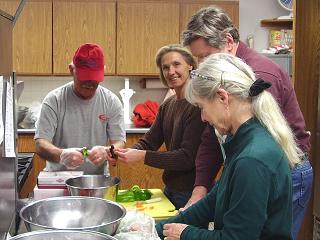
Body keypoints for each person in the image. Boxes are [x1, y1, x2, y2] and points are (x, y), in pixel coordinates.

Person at [181, 6, 313, 239]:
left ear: (228, 41)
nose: (201, 65)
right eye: (197, 58)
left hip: (288, 170)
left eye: (205, 55)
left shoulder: (256, 75)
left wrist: (186, 233)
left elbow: (258, 158)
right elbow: (212, 139)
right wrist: (201, 188)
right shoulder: (221, 86)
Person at [156, 53, 300, 240]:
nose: (203, 118)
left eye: (202, 107)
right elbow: (213, 201)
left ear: (222, 98)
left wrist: (185, 233)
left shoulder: (252, 159)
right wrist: (157, 230)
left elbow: (237, 238)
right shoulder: (243, 142)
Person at [108, 44, 206, 209]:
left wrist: (142, 156)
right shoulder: (168, 104)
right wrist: (121, 152)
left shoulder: (197, 106)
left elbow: (186, 158)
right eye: (165, 67)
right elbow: (149, 142)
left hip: (193, 193)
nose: (171, 71)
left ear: (190, 65)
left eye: (176, 64)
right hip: (170, 188)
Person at [35, 43, 126, 175]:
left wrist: (108, 151)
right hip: (59, 179)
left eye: (94, 79)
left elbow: (119, 142)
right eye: (84, 78)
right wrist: (61, 155)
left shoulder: (111, 102)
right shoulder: (54, 100)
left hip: (96, 180)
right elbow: (40, 144)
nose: (89, 84)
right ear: (71, 69)